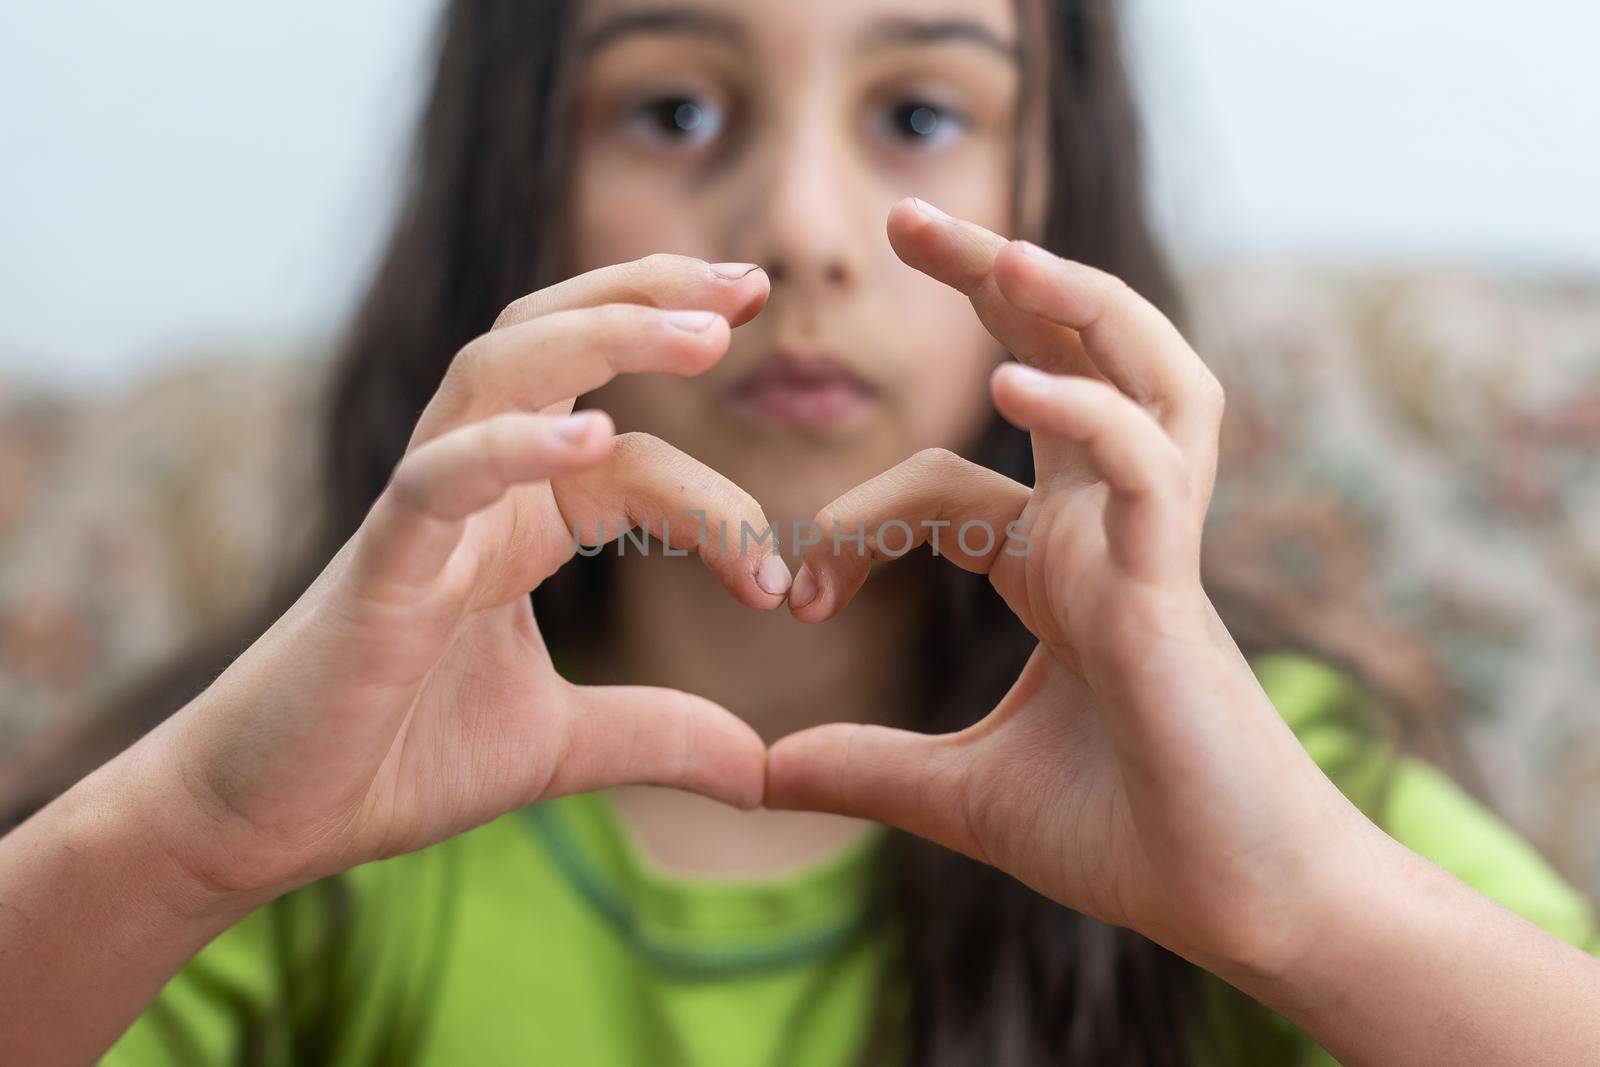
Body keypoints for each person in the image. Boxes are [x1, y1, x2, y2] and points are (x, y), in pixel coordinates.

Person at [2, 1, 1597, 1064]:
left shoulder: (1248, 770)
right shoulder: (286, 811)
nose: (802, 232)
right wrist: (197, 832)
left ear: (1066, 191)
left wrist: (1297, 907)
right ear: (512, 190)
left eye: (917, 113)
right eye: (676, 109)